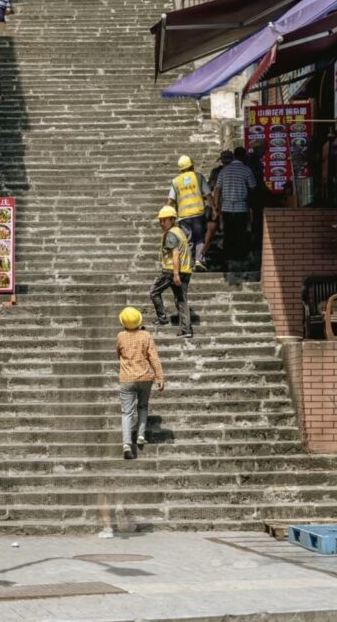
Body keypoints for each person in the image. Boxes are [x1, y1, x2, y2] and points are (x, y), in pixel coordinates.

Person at [115, 307, 163, 460]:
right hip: (145, 377)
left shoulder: (120, 336)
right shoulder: (146, 335)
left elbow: (118, 354)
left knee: (126, 412)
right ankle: (141, 435)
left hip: (127, 378)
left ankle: (126, 444)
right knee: (143, 406)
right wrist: (160, 377)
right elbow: (153, 357)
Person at [150, 206, 193, 339]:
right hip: (186, 271)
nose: (162, 223)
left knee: (154, 292)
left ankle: (162, 318)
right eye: (160, 220)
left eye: (165, 220)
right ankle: (186, 330)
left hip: (171, 271)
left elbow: (175, 253)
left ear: (172, 220)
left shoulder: (171, 234)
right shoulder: (180, 232)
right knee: (181, 300)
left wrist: (175, 274)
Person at [214, 146, 257, 267]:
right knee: (241, 232)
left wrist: (216, 206)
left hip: (226, 207)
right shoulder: (247, 170)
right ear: (243, 156)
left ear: (234, 156)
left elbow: (217, 189)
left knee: (228, 233)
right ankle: (240, 257)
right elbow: (253, 188)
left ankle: (228, 257)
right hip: (241, 207)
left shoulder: (224, 171)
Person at [167, 154, 209, 272]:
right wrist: (214, 208)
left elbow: (171, 200)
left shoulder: (176, 181)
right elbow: (208, 194)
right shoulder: (199, 177)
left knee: (188, 240)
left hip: (183, 216)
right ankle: (199, 260)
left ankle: (189, 263)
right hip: (198, 213)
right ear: (192, 166)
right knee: (199, 238)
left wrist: (167, 214)